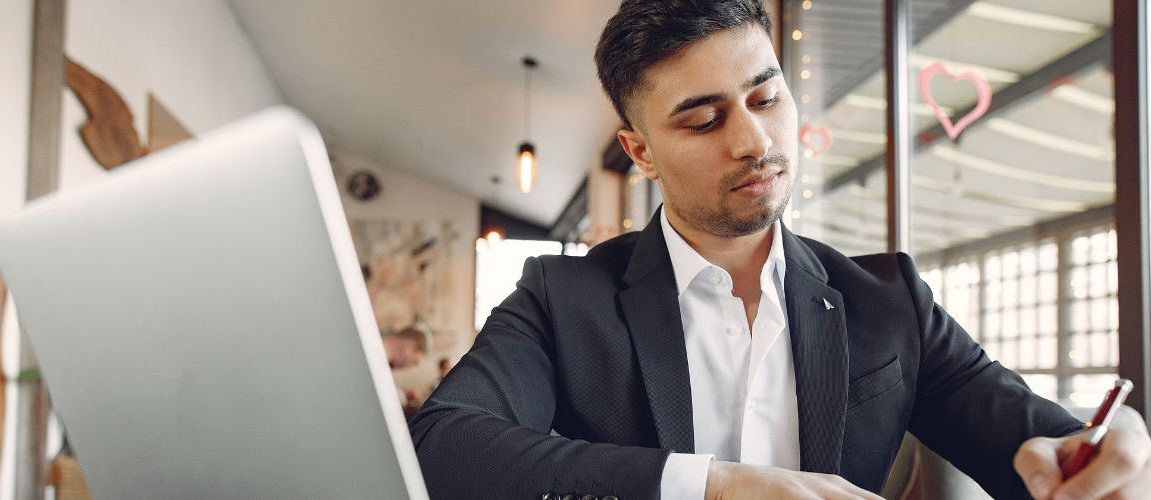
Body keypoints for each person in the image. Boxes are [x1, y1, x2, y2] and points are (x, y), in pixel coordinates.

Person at [409, 1, 1151, 499]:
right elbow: (443, 446)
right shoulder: (560, 297)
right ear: (640, 150)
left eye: (766, 98)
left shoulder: (889, 300)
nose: (753, 140)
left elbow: (1035, 442)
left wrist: (1114, 444)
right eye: (702, 120)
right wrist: (714, 485)